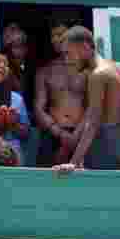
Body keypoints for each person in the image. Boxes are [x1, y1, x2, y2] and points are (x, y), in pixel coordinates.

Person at [58, 26, 120, 171]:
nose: (67, 60)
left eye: (68, 53)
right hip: (116, 142)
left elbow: (93, 122)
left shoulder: (98, 75)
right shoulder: (111, 67)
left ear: (84, 47)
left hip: (105, 145)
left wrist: (74, 162)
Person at [34, 20, 87, 167]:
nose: (56, 39)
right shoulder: (45, 71)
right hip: (52, 134)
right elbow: (39, 108)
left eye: (61, 34)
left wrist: (75, 135)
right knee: (46, 182)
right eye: (53, 36)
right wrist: (60, 133)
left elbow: (93, 106)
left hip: (83, 135)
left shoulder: (87, 70)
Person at [1, 24, 30, 103]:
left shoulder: (22, 69)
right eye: (16, 46)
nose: (21, 51)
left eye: (23, 45)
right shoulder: (4, 72)